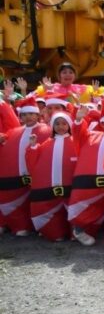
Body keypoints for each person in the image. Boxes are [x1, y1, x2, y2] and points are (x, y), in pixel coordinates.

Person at [67, 97, 104, 244]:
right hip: (89, 182)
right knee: (83, 205)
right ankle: (79, 230)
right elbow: (79, 134)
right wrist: (79, 119)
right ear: (102, 124)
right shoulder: (93, 136)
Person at [0, 96, 51, 236]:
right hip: (18, 175)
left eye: (31, 114)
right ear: (20, 117)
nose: (28, 117)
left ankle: (44, 226)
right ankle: (19, 225)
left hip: (39, 175)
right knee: (16, 200)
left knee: (39, 201)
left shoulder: (46, 130)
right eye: (24, 114)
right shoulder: (14, 132)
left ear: (37, 114)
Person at [26, 112, 80, 242]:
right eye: (57, 123)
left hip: (71, 186)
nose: (60, 126)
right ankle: (55, 233)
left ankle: (75, 233)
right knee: (50, 211)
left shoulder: (76, 142)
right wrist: (33, 147)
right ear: (52, 126)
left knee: (74, 210)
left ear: (69, 125)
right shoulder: (46, 144)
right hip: (50, 188)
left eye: (63, 123)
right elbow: (33, 163)